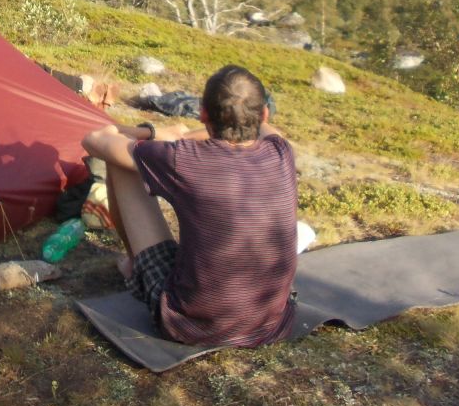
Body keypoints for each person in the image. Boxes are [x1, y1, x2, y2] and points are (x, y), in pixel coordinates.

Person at [81, 64, 297, 347]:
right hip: (271, 323)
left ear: (203, 113)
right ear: (264, 114)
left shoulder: (184, 159)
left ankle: (136, 269)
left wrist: (151, 132)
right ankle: (139, 269)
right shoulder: (281, 151)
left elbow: (95, 140)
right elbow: (265, 129)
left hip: (193, 328)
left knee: (121, 163)